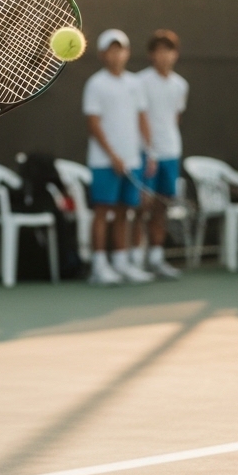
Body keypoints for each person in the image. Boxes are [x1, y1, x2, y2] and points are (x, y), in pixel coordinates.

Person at [83, 28, 153, 285]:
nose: (116, 54)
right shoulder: (95, 84)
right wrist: (113, 155)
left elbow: (142, 120)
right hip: (103, 162)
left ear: (127, 53)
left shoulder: (135, 84)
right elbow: (93, 124)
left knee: (125, 212)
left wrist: (149, 153)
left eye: (120, 49)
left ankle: (121, 263)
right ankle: (99, 266)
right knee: (103, 212)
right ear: (103, 54)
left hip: (132, 160)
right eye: (111, 50)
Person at [132, 29, 187, 280]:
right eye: (159, 51)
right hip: (145, 154)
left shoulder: (180, 85)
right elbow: (138, 119)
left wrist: (165, 149)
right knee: (141, 207)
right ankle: (134, 259)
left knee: (162, 208)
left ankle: (156, 258)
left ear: (175, 55)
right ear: (151, 55)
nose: (164, 56)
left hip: (171, 153)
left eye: (169, 51)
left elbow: (174, 118)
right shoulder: (140, 82)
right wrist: (149, 151)